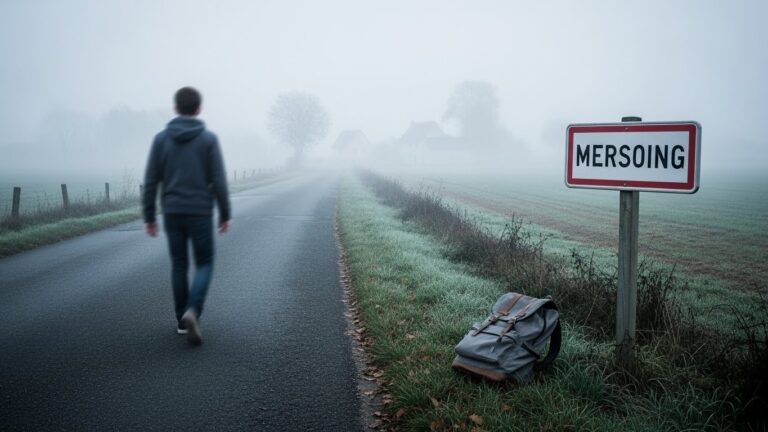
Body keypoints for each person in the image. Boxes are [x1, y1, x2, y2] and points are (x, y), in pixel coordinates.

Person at [142, 86, 231, 345]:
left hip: (172, 211)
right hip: (201, 211)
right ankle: (194, 310)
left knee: (179, 264)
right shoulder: (208, 139)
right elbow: (219, 181)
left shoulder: (160, 140)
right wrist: (225, 213)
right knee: (204, 262)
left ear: (175, 108)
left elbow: (151, 181)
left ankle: (182, 319)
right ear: (199, 109)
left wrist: (149, 216)